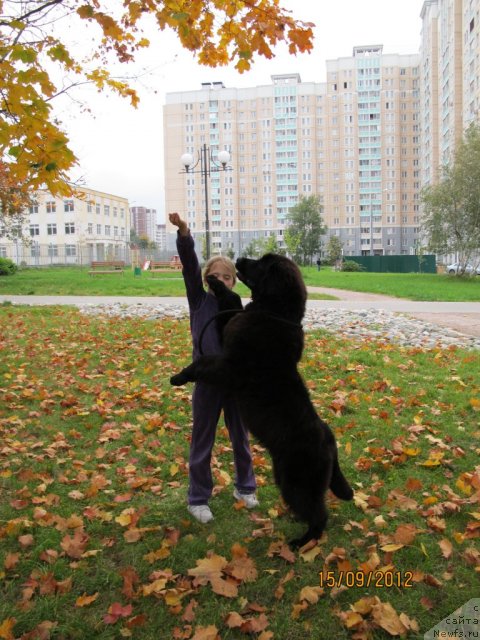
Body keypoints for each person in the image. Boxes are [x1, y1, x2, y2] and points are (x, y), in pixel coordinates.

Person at [168, 212, 258, 524]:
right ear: (206, 280)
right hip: (207, 382)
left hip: (235, 383)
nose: (220, 280)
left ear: (235, 282)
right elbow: (190, 267)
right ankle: (198, 498)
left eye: (227, 277)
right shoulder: (199, 301)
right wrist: (184, 234)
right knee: (202, 439)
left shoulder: (238, 308)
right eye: (215, 276)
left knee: (241, 438)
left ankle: (245, 487)